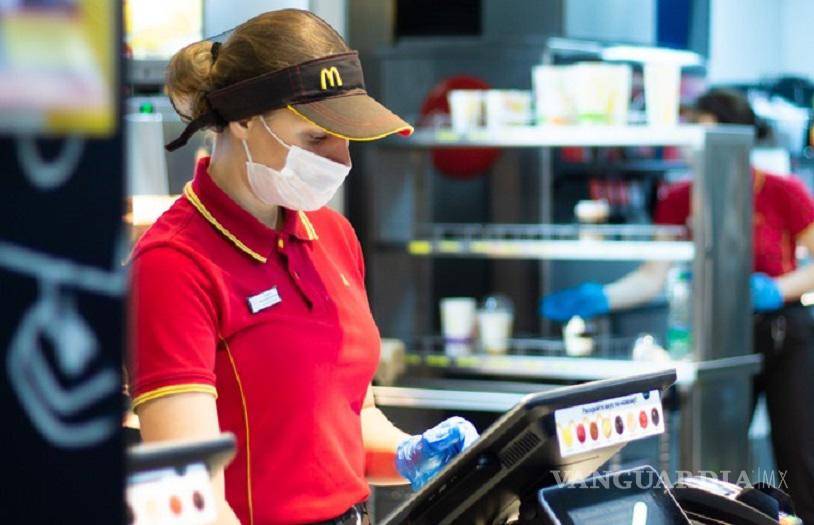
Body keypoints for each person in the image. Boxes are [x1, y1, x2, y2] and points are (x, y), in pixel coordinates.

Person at [128, 9, 477, 525]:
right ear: (243, 119)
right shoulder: (173, 264)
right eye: (317, 138)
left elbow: (348, 418)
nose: (341, 160)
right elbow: (191, 499)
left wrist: (411, 454)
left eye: (347, 137)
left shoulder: (333, 236)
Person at [541, 88, 814, 522]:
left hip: (783, 333)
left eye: (701, 130)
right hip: (714, 334)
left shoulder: (782, 191)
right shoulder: (676, 198)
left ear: (735, 139)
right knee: (714, 465)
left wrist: (776, 289)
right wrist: (603, 297)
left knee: (798, 457)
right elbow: (653, 276)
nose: (691, 143)